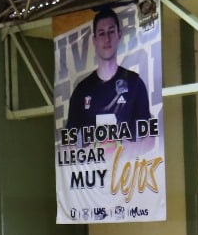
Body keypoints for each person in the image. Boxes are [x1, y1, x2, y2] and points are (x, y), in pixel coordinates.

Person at [63, 7, 152, 140]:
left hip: (127, 161)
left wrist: (129, 151)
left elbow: (150, 138)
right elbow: (68, 143)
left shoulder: (134, 83)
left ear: (119, 35)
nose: (107, 39)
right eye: (102, 33)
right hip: (93, 160)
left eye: (111, 32)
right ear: (94, 40)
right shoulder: (81, 91)